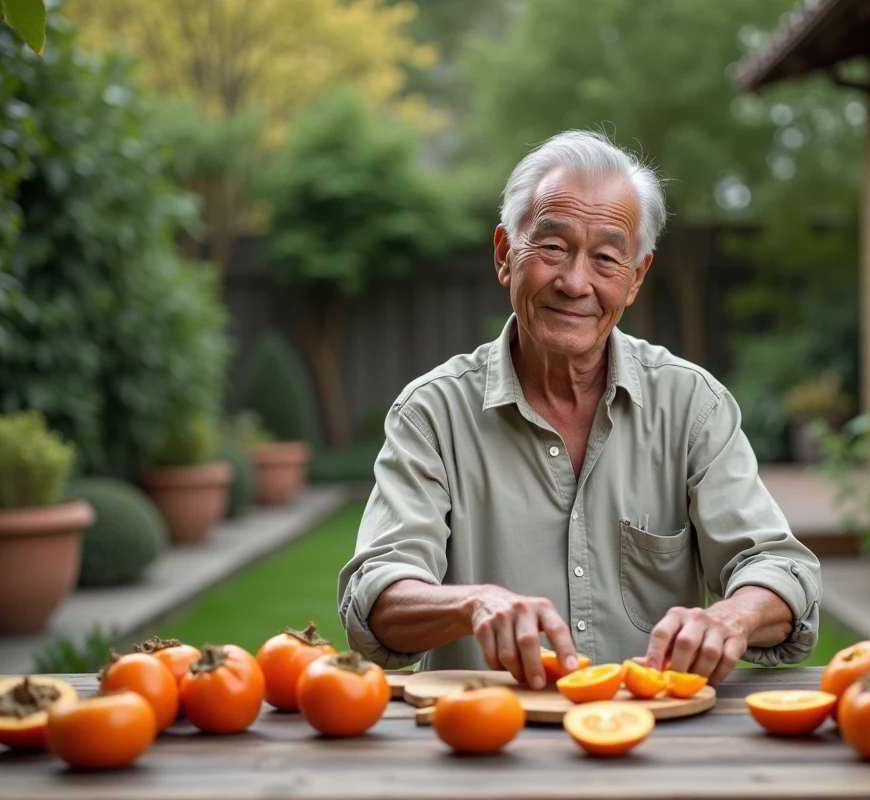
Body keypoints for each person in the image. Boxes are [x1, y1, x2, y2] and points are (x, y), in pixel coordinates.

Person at [338, 130, 821, 689]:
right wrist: (473, 603)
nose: (575, 282)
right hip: (483, 745)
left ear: (636, 278)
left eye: (607, 258)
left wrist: (732, 617)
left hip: (654, 739)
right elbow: (376, 593)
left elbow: (782, 570)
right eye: (552, 248)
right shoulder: (432, 414)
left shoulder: (692, 406)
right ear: (504, 255)